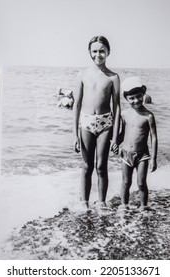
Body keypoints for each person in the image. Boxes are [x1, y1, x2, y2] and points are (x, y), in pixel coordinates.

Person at [73, 36, 120, 210]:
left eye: (102, 51)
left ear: (108, 52)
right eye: (95, 51)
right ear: (89, 52)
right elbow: (76, 105)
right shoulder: (82, 75)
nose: (98, 54)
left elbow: (117, 109)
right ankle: (84, 202)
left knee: (101, 165)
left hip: (105, 122)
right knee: (87, 166)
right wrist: (74, 134)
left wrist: (115, 137)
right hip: (86, 122)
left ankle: (101, 202)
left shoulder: (113, 77)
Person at [116, 76, 158, 211]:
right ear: (126, 99)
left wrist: (154, 158)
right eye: (131, 98)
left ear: (143, 94)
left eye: (139, 96)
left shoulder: (148, 116)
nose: (136, 100)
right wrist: (115, 143)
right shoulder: (124, 114)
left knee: (141, 183)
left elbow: (154, 137)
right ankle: (124, 205)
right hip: (126, 153)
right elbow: (122, 134)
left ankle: (144, 206)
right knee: (126, 182)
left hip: (143, 155)